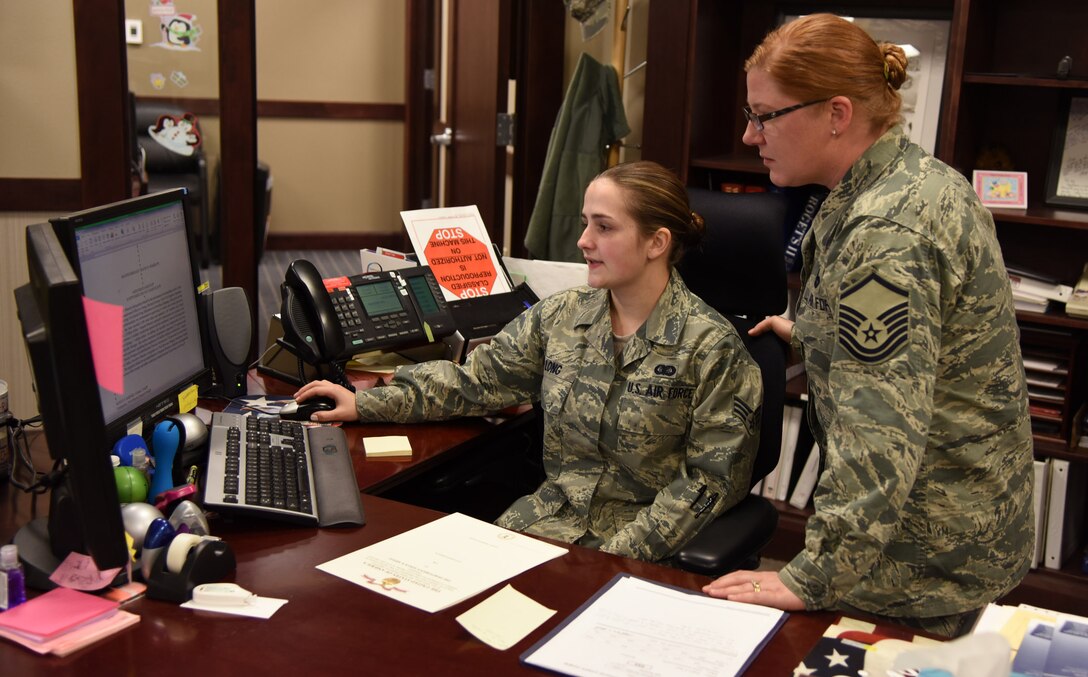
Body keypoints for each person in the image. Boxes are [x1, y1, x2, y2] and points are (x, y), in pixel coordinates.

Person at [702, 14, 1034, 637]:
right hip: (955, 523)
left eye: (765, 115)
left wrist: (811, 577)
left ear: (837, 113)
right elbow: (925, 348)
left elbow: (878, 432)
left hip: (920, 556)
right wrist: (814, 335)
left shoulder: (885, 232)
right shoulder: (912, 179)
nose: (749, 136)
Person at [296, 160, 763, 563]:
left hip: (642, 550)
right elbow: (475, 382)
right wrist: (366, 404)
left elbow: (707, 484)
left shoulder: (712, 348)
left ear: (656, 243)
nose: (582, 240)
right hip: (542, 524)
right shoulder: (563, 316)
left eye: (604, 227)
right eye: (585, 223)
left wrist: (612, 558)